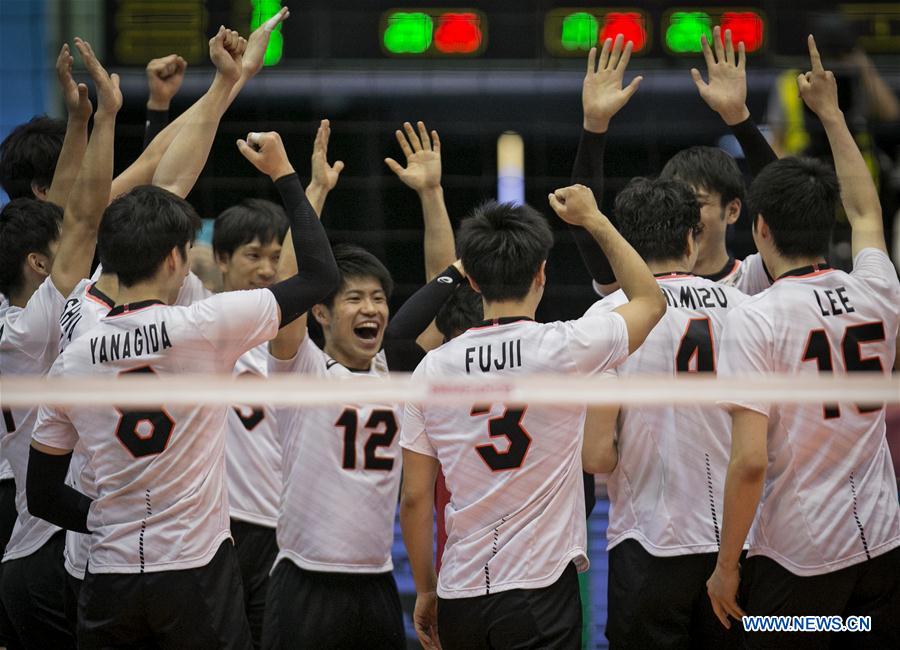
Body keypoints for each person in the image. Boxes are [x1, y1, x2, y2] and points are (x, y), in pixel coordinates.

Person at [27, 105, 339, 647]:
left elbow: (42, 496)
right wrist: (287, 177)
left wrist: (104, 518)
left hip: (110, 574)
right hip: (195, 571)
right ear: (176, 260)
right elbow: (320, 275)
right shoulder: (206, 325)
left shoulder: (73, 359)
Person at [399, 187, 665, 649]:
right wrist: (594, 219)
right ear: (542, 273)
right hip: (539, 587)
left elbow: (416, 499)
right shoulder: (565, 348)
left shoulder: (432, 369)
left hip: (461, 590)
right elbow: (650, 300)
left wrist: (426, 589)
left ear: (474, 282)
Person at [707, 36, 900, 649]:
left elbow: (751, 460)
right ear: (829, 224)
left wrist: (727, 564)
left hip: (803, 557)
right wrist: (834, 116)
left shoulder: (754, 317)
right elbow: (867, 211)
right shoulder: (878, 290)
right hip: (884, 543)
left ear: (758, 228)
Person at [261, 121, 456, 649]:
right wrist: (315, 191)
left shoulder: (394, 373)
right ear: (320, 311)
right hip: (304, 579)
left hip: (375, 582)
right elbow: (288, 288)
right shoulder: (301, 369)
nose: (370, 308)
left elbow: (446, 293)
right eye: (355, 298)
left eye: (378, 298)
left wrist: (432, 195)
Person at [580, 176, 748, 647]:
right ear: (692, 239)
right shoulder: (748, 308)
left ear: (626, 247)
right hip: (738, 542)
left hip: (648, 541)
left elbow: (596, 456)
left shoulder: (609, 316)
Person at [0, 36, 120, 647]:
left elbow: (76, 214)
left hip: (23, 541)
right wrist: (95, 119)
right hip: (49, 545)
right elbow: (83, 217)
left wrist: (84, 120)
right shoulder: (40, 318)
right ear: (37, 264)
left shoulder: (11, 313)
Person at [572, 30, 777, 298]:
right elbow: (580, 212)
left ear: (733, 210)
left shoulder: (754, 277)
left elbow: (783, 202)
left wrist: (738, 117)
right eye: (678, 206)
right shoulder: (643, 283)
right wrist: (594, 126)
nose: (687, 217)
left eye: (699, 204)